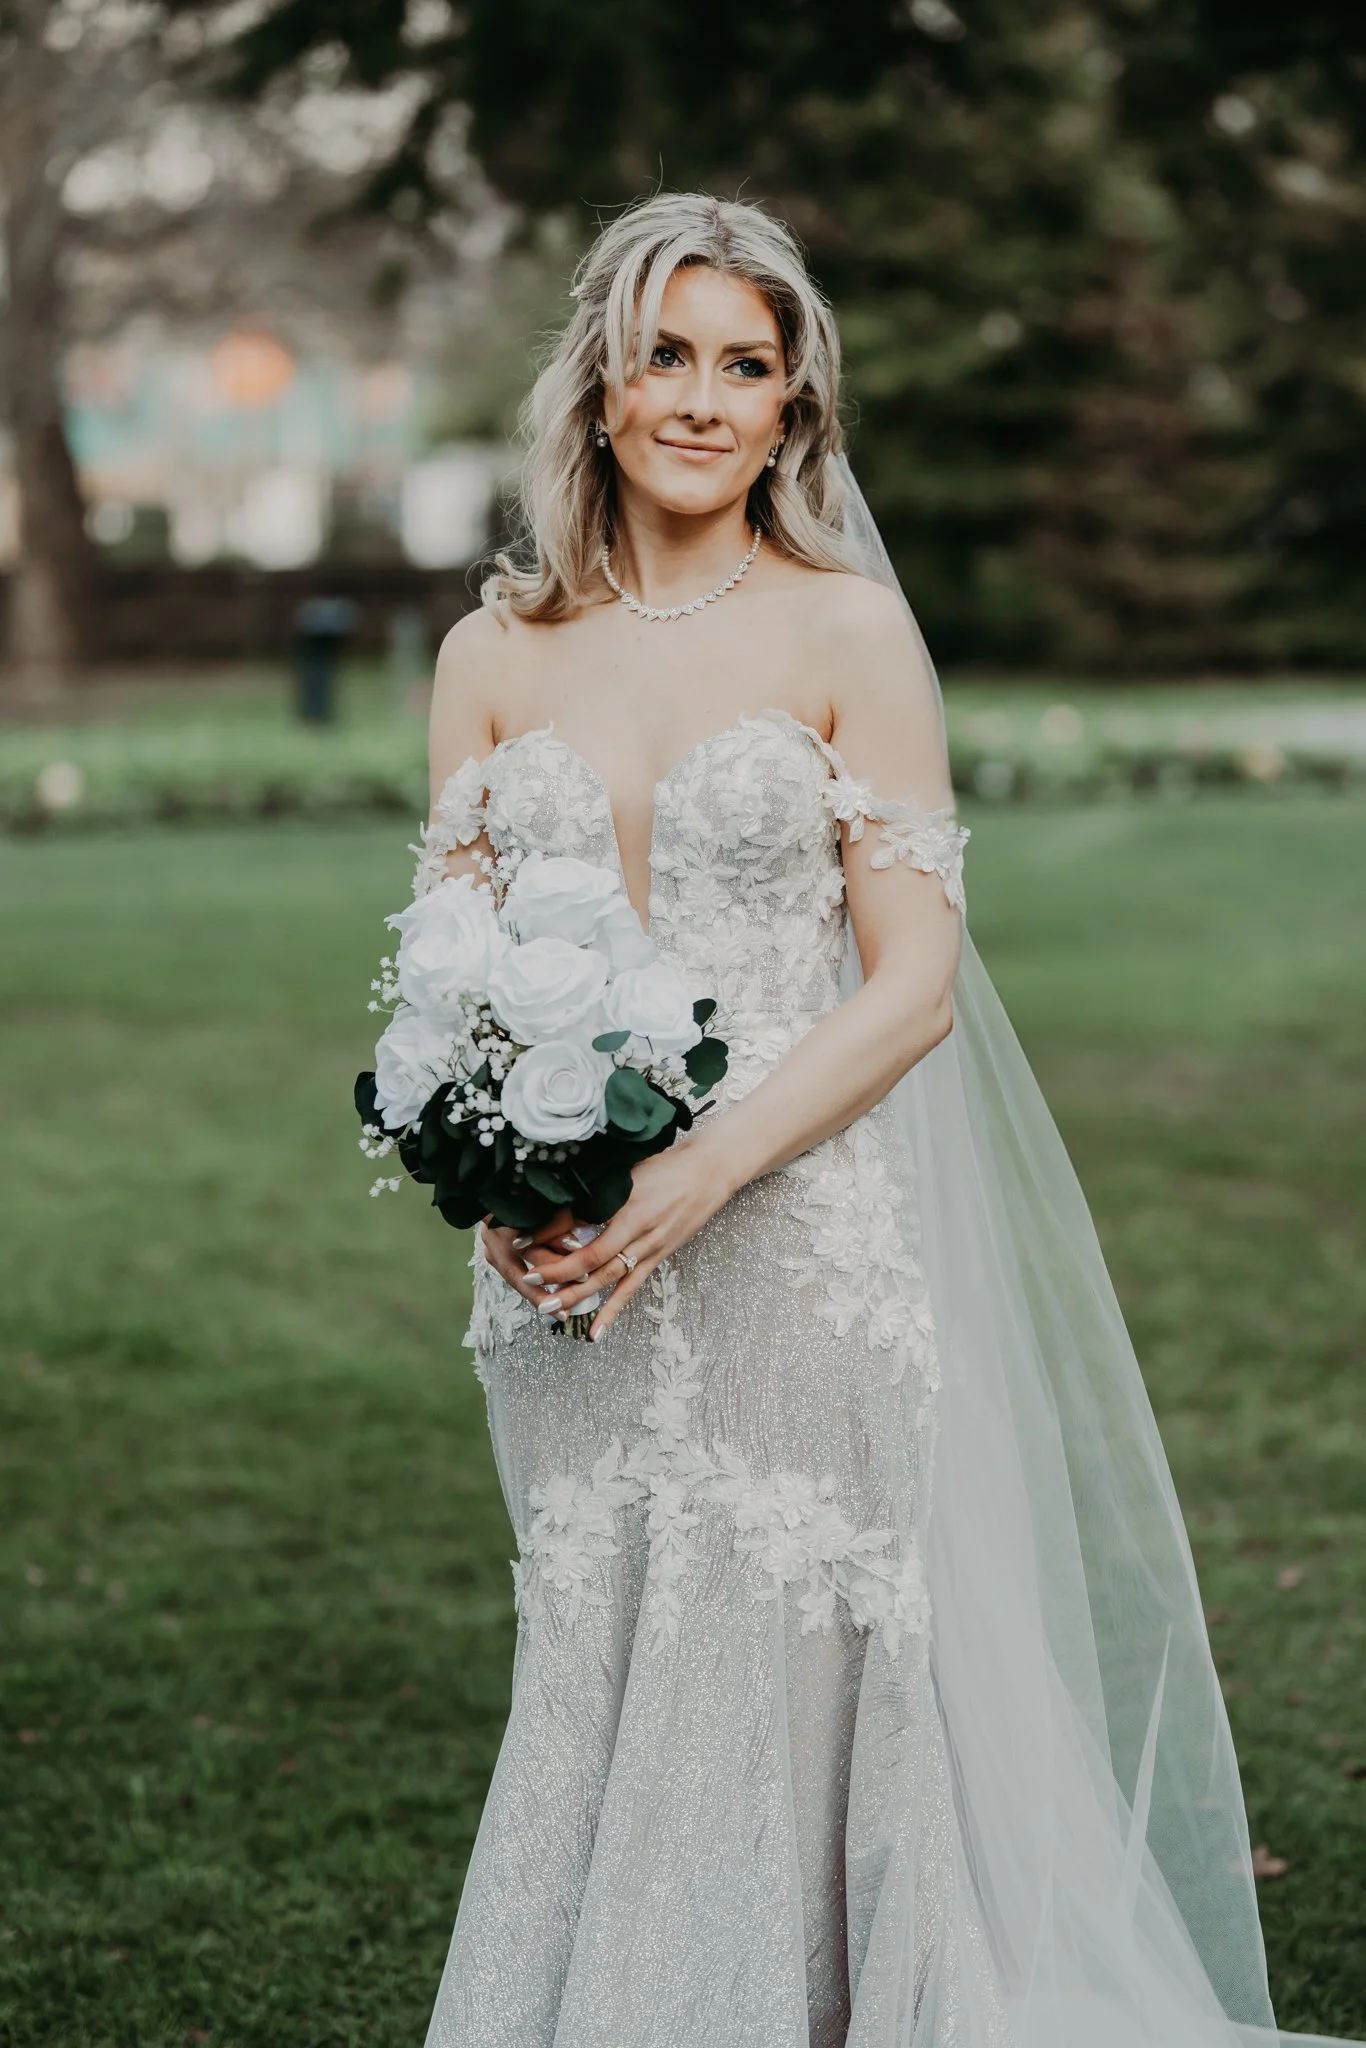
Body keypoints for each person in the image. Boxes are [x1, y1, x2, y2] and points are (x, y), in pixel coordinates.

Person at [412, 195, 1354, 2048]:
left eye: (744, 366)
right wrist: (493, 1202)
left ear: (792, 415)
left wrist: (693, 1174)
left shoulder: (847, 634)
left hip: (794, 1247)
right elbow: (446, 972)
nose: (699, 398)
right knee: (600, 1658)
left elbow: (911, 983)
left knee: (788, 1664)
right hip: (563, 1287)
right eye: (665, 354)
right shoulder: (491, 656)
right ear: (600, 386)